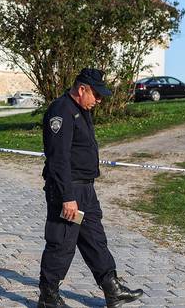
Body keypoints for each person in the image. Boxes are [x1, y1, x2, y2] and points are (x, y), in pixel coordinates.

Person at [38, 68, 144, 308]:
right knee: (62, 242)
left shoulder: (81, 110)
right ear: (81, 88)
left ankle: (111, 288)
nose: (99, 100)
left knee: (95, 239)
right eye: (96, 95)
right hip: (69, 191)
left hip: (85, 190)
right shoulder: (61, 112)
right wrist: (67, 197)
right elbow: (58, 159)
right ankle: (48, 297)